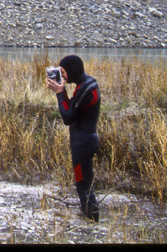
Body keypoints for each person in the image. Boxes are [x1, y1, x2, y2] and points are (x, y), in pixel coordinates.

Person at [46, 54, 101, 222]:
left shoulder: (86, 88)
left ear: (72, 70)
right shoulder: (85, 84)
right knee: (83, 184)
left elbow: (68, 117)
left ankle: (91, 219)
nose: (62, 76)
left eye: (63, 72)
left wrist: (59, 93)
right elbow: (75, 111)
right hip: (84, 141)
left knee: (83, 185)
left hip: (83, 143)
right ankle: (88, 217)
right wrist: (63, 91)